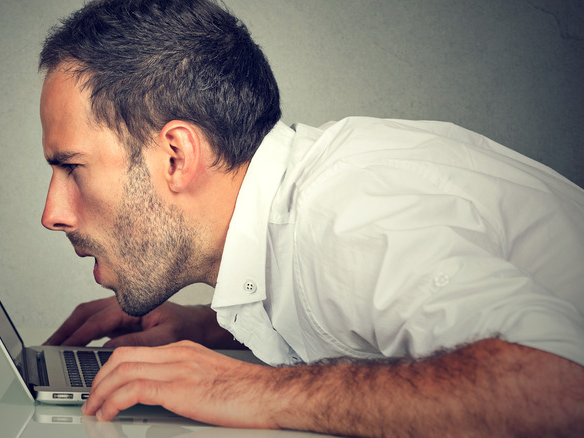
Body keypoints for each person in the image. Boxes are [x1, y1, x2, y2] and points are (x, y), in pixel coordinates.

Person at [37, 0, 584, 435]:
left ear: (177, 156)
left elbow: (559, 391)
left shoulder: (346, 213)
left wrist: (245, 388)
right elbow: (359, 318)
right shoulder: (297, 213)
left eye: (72, 167)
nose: (52, 214)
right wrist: (212, 327)